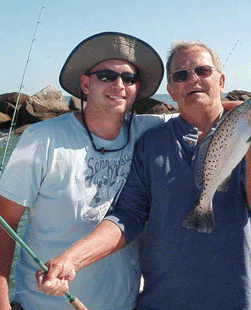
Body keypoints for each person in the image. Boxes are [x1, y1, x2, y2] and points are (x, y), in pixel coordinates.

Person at [36, 41, 251, 309]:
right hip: (162, 301)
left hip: (240, 298)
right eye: (181, 75)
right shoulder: (151, 142)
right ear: (171, 90)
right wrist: (71, 260)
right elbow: (128, 215)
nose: (193, 79)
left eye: (203, 71)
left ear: (221, 80)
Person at [0, 31, 172, 310]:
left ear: (137, 89)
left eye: (129, 78)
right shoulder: (39, 138)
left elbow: (202, 114)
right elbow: (4, 225)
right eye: (106, 76)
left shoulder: (150, 131)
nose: (119, 84)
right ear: (84, 83)